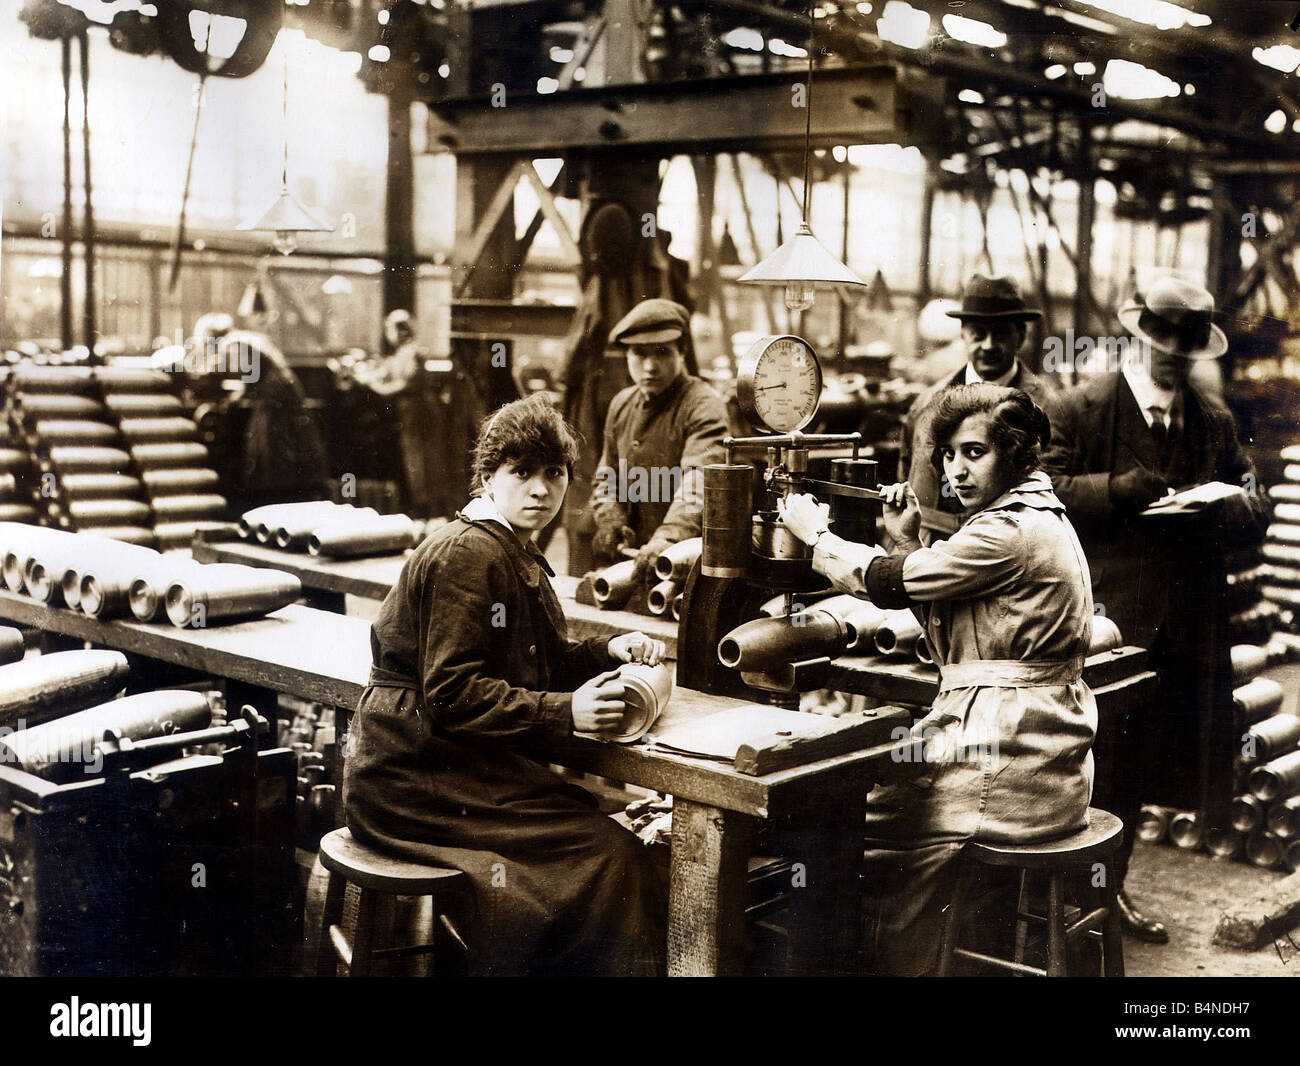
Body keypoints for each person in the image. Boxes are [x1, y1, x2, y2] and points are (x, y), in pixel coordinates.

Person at [343, 394, 668, 976]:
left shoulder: (512, 548)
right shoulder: (469, 552)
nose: (541, 489)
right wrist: (565, 714)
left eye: (554, 472)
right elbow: (454, 693)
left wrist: (606, 652)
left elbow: (533, 663)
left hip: (440, 761)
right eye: (522, 472)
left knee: (590, 823)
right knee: (609, 853)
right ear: (489, 476)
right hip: (409, 775)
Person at [779, 383, 1097, 976]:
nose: (956, 470)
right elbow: (954, 599)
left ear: (1017, 452)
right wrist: (904, 535)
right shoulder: (1028, 518)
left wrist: (814, 534)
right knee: (859, 807)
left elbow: (883, 582)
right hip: (1038, 750)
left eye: (974, 452)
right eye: (947, 455)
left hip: (1012, 758)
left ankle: (867, 962)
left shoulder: (1010, 532)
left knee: (847, 818)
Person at [1042, 276, 1270, 943]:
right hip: (1107, 624)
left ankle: (1107, 896)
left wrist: (1229, 505)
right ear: (1140, 335)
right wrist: (1115, 488)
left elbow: (1258, 504)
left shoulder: (1214, 422)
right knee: (1088, 758)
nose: (1171, 351)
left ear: (1200, 346)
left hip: (1184, 628)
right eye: (1161, 337)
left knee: (1143, 767)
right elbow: (1043, 488)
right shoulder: (1083, 408)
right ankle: (1062, 898)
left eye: (1186, 341)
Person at [899, 274, 1058, 545]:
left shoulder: (1049, 409)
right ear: (963, 333)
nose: (988, 345)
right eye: (978, 333)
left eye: (1000, 334)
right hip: (929, 545)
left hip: (1005, 551)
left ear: (1020, 336)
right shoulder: (927, 404)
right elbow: (906, 483)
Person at [589, 298, 728, 582]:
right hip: (634, 559)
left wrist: (668, 538)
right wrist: (610, 518)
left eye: (662, 353)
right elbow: (606, 475)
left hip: (685, 564)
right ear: (627, 355)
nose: (650, 366)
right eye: (639, 354)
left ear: (682, 352)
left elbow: (699, 481)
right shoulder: (622, 404)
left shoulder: (702, 405)